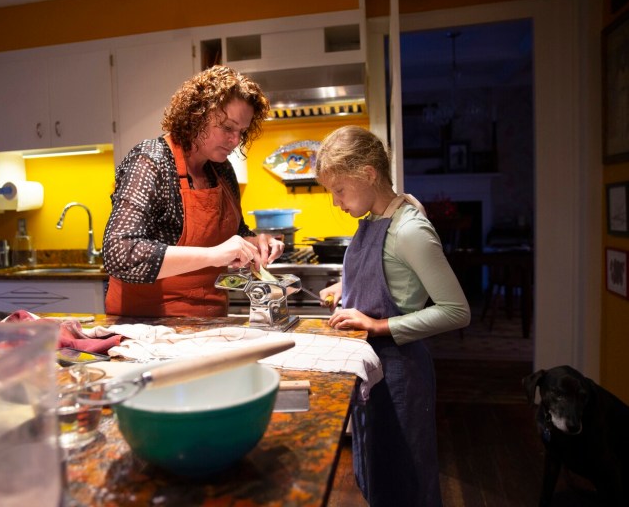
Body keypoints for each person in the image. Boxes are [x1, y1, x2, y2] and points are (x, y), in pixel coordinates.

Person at [315, 125, 471, 507]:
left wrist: (379, 325)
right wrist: (343, 287)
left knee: (406, 481)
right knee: (377, 474)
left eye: (339, 190)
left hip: (400, 372)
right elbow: (388, 275)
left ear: (368, 173)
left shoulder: (410, 229)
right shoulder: (373, 219)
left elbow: (456, 311)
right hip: (371, 370)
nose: (336, 202)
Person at [102, 65, 284, 317]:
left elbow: (235, 233)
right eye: (228, 128)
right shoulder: (150, 161)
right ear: (196, 116)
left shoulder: (221, 170)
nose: (235, 140)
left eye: (241, 132)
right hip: (146, 325)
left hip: (208, 320)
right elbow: (120, 254)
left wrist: (254, 242)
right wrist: (212, 255)